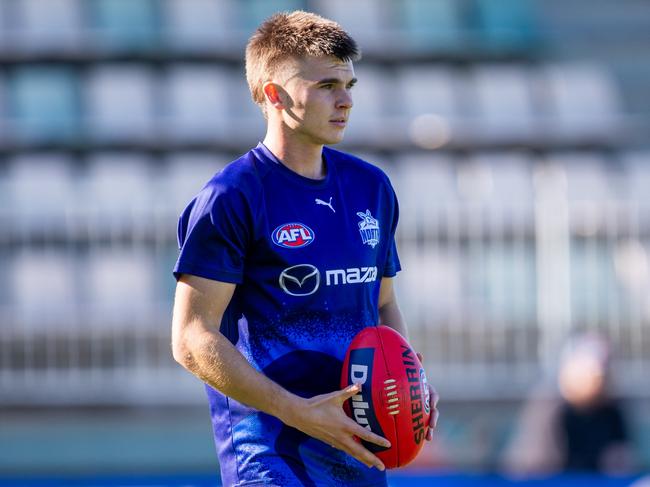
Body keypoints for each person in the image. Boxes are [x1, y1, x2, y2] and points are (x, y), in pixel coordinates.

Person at [171, 10, 438, 487]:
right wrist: (296, 411)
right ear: (274, 95)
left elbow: (383, 304)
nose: (346, 101)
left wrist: (411, 379)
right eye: (326, 86)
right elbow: (192, 339)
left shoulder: (370, 186)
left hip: (361, 449)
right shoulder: (231, 197)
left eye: (350, 86)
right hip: (271, 459)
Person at [502, 333, 634, 476]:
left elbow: (619, 462)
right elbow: (530, 465)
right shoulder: (549, 408)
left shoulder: (611, 413)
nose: (599, 383)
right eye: (592, 375)